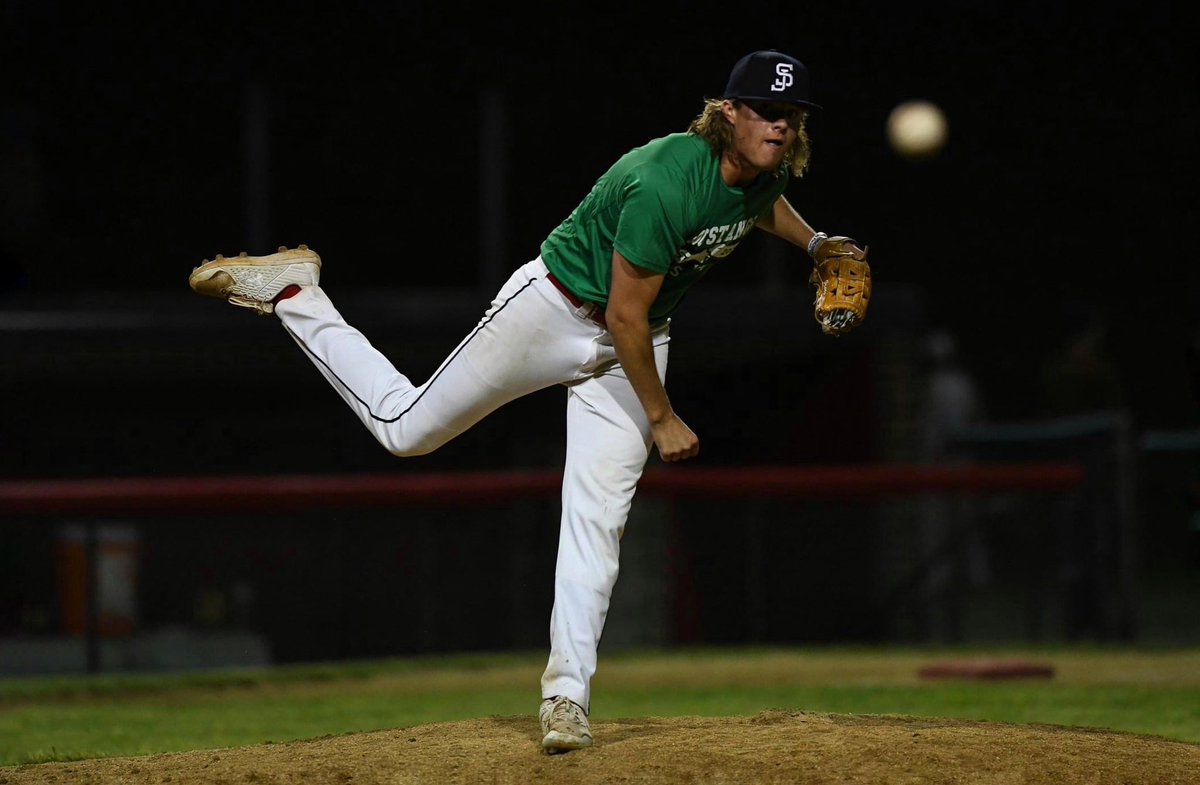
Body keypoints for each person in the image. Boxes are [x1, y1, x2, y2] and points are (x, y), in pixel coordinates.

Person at [188, 49, 867, 753]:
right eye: (764, 110)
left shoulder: (772, 162)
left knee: (598, 521)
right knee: (405, 430)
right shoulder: (664, 181)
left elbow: (758, 204)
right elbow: (624, 318)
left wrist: (817, 241)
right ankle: (299, 293)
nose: (781, 126)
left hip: (634, 335)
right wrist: (660, 416)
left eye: (791, 115)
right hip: (555, 312)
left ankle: (566, 698)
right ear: (728, 113)